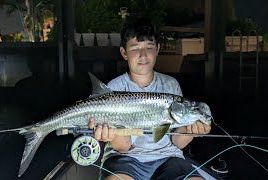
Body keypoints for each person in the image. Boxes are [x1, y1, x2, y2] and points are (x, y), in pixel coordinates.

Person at [88, 17, 211, 180]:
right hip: (124, 159)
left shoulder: (171, 85)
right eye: (135, 48)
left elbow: (177, 143)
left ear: (157, 49)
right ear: (124, 53)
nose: (143, 55)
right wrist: (110, 134)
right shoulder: (114, 87)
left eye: (149, 47)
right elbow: (123, 147)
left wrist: (191, 131)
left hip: (168, 157)